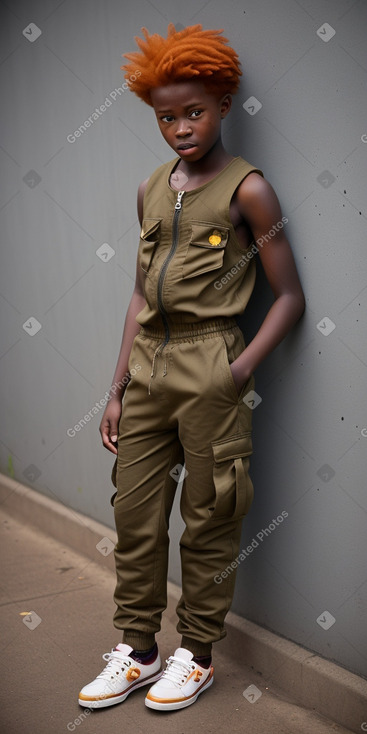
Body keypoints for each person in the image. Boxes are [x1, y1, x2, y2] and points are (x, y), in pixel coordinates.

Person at [78, 23, 305, 712]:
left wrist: (233, 374)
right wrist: (115, 391)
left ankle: (197, 654)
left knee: (209, 518)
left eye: (193, 112)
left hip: (211, 367)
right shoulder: (150, 188)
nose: (180, 127)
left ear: (223, 103)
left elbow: (289, 297)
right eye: (166, 116)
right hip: (146, 372)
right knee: (135, 517)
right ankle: (138, 651)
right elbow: (140, 294)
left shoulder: (249, 190)